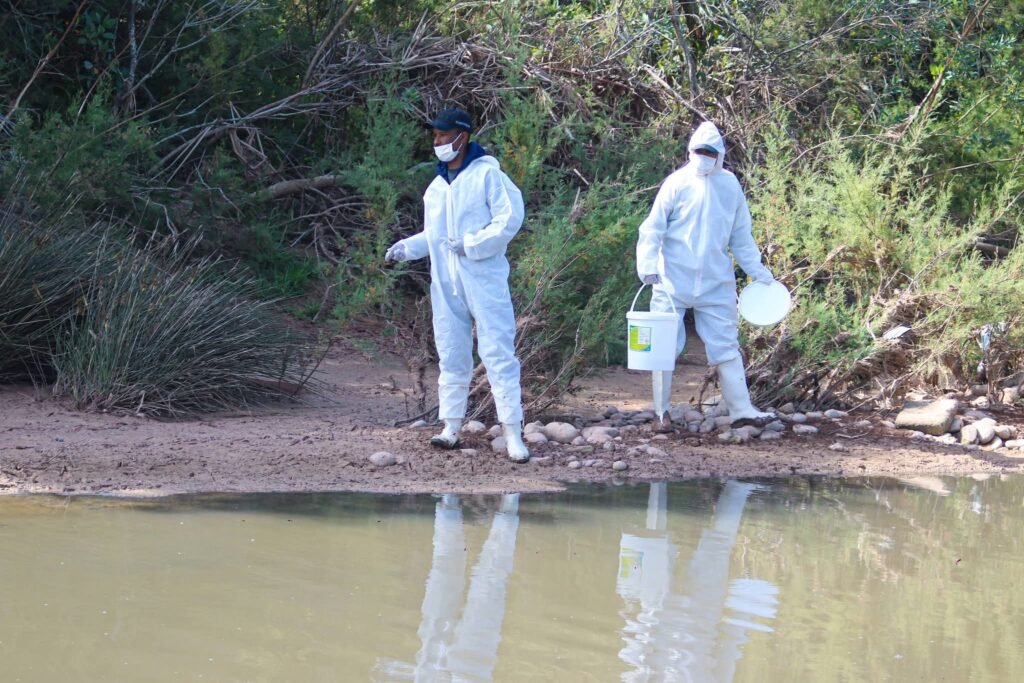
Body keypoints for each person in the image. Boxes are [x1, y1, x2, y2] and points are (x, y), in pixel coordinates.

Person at [385, 108, 530, 462]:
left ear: (461, 137)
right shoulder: (436, 188)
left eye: (443, 135)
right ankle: (450, 428)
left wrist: (472, 244)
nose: (437, 141)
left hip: (483, 280)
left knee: (498, 353)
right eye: (435, 135)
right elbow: (435, 236)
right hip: (445, 282)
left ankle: (513, 433)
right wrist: (408, 248)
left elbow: (509, 219)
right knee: (451, 352)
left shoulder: (488, 175)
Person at [636, 121, 777, 432]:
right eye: (699, 151)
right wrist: (647, 266)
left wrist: (758, 272)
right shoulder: (676, 183)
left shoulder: (730, 186)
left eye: (709, 152)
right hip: (671, 280)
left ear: (720, 155)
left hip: (716, 282)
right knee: (663, 348)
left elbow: (741, 236)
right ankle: (661, 414)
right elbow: (653, 228)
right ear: (690, 151)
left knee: (726, 345)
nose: (703, 156)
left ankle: (741, 409)